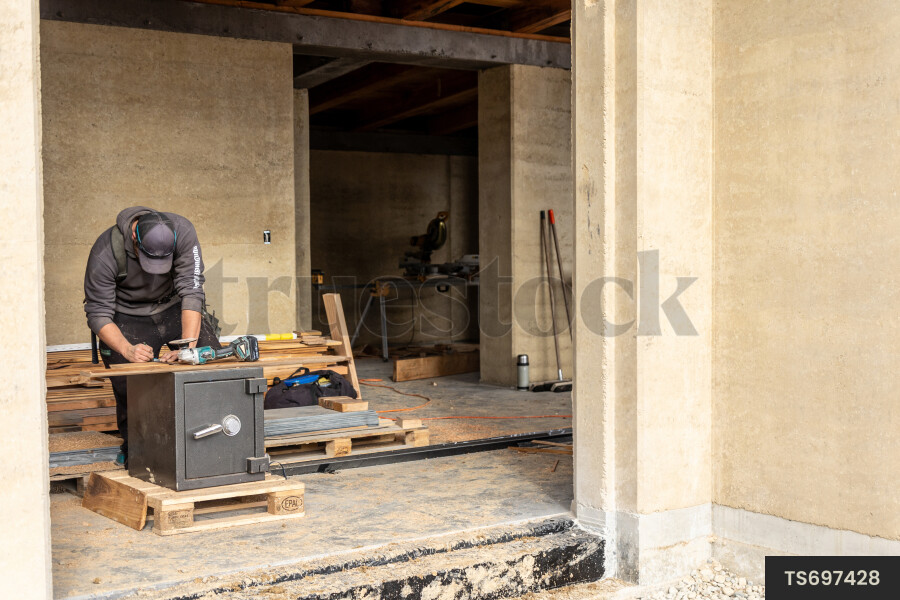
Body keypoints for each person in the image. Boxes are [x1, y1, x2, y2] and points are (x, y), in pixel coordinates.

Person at [84, 206, 220, 465]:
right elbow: (98, 313)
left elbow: (192, 293)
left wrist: (189, 348)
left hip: (172, 308)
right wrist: (127, 350)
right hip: (125, 316)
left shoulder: (184, 231)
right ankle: (139, 452)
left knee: (208, 364)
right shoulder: (105, 251)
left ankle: (213, 446)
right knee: (130, 384)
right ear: (135, 239)